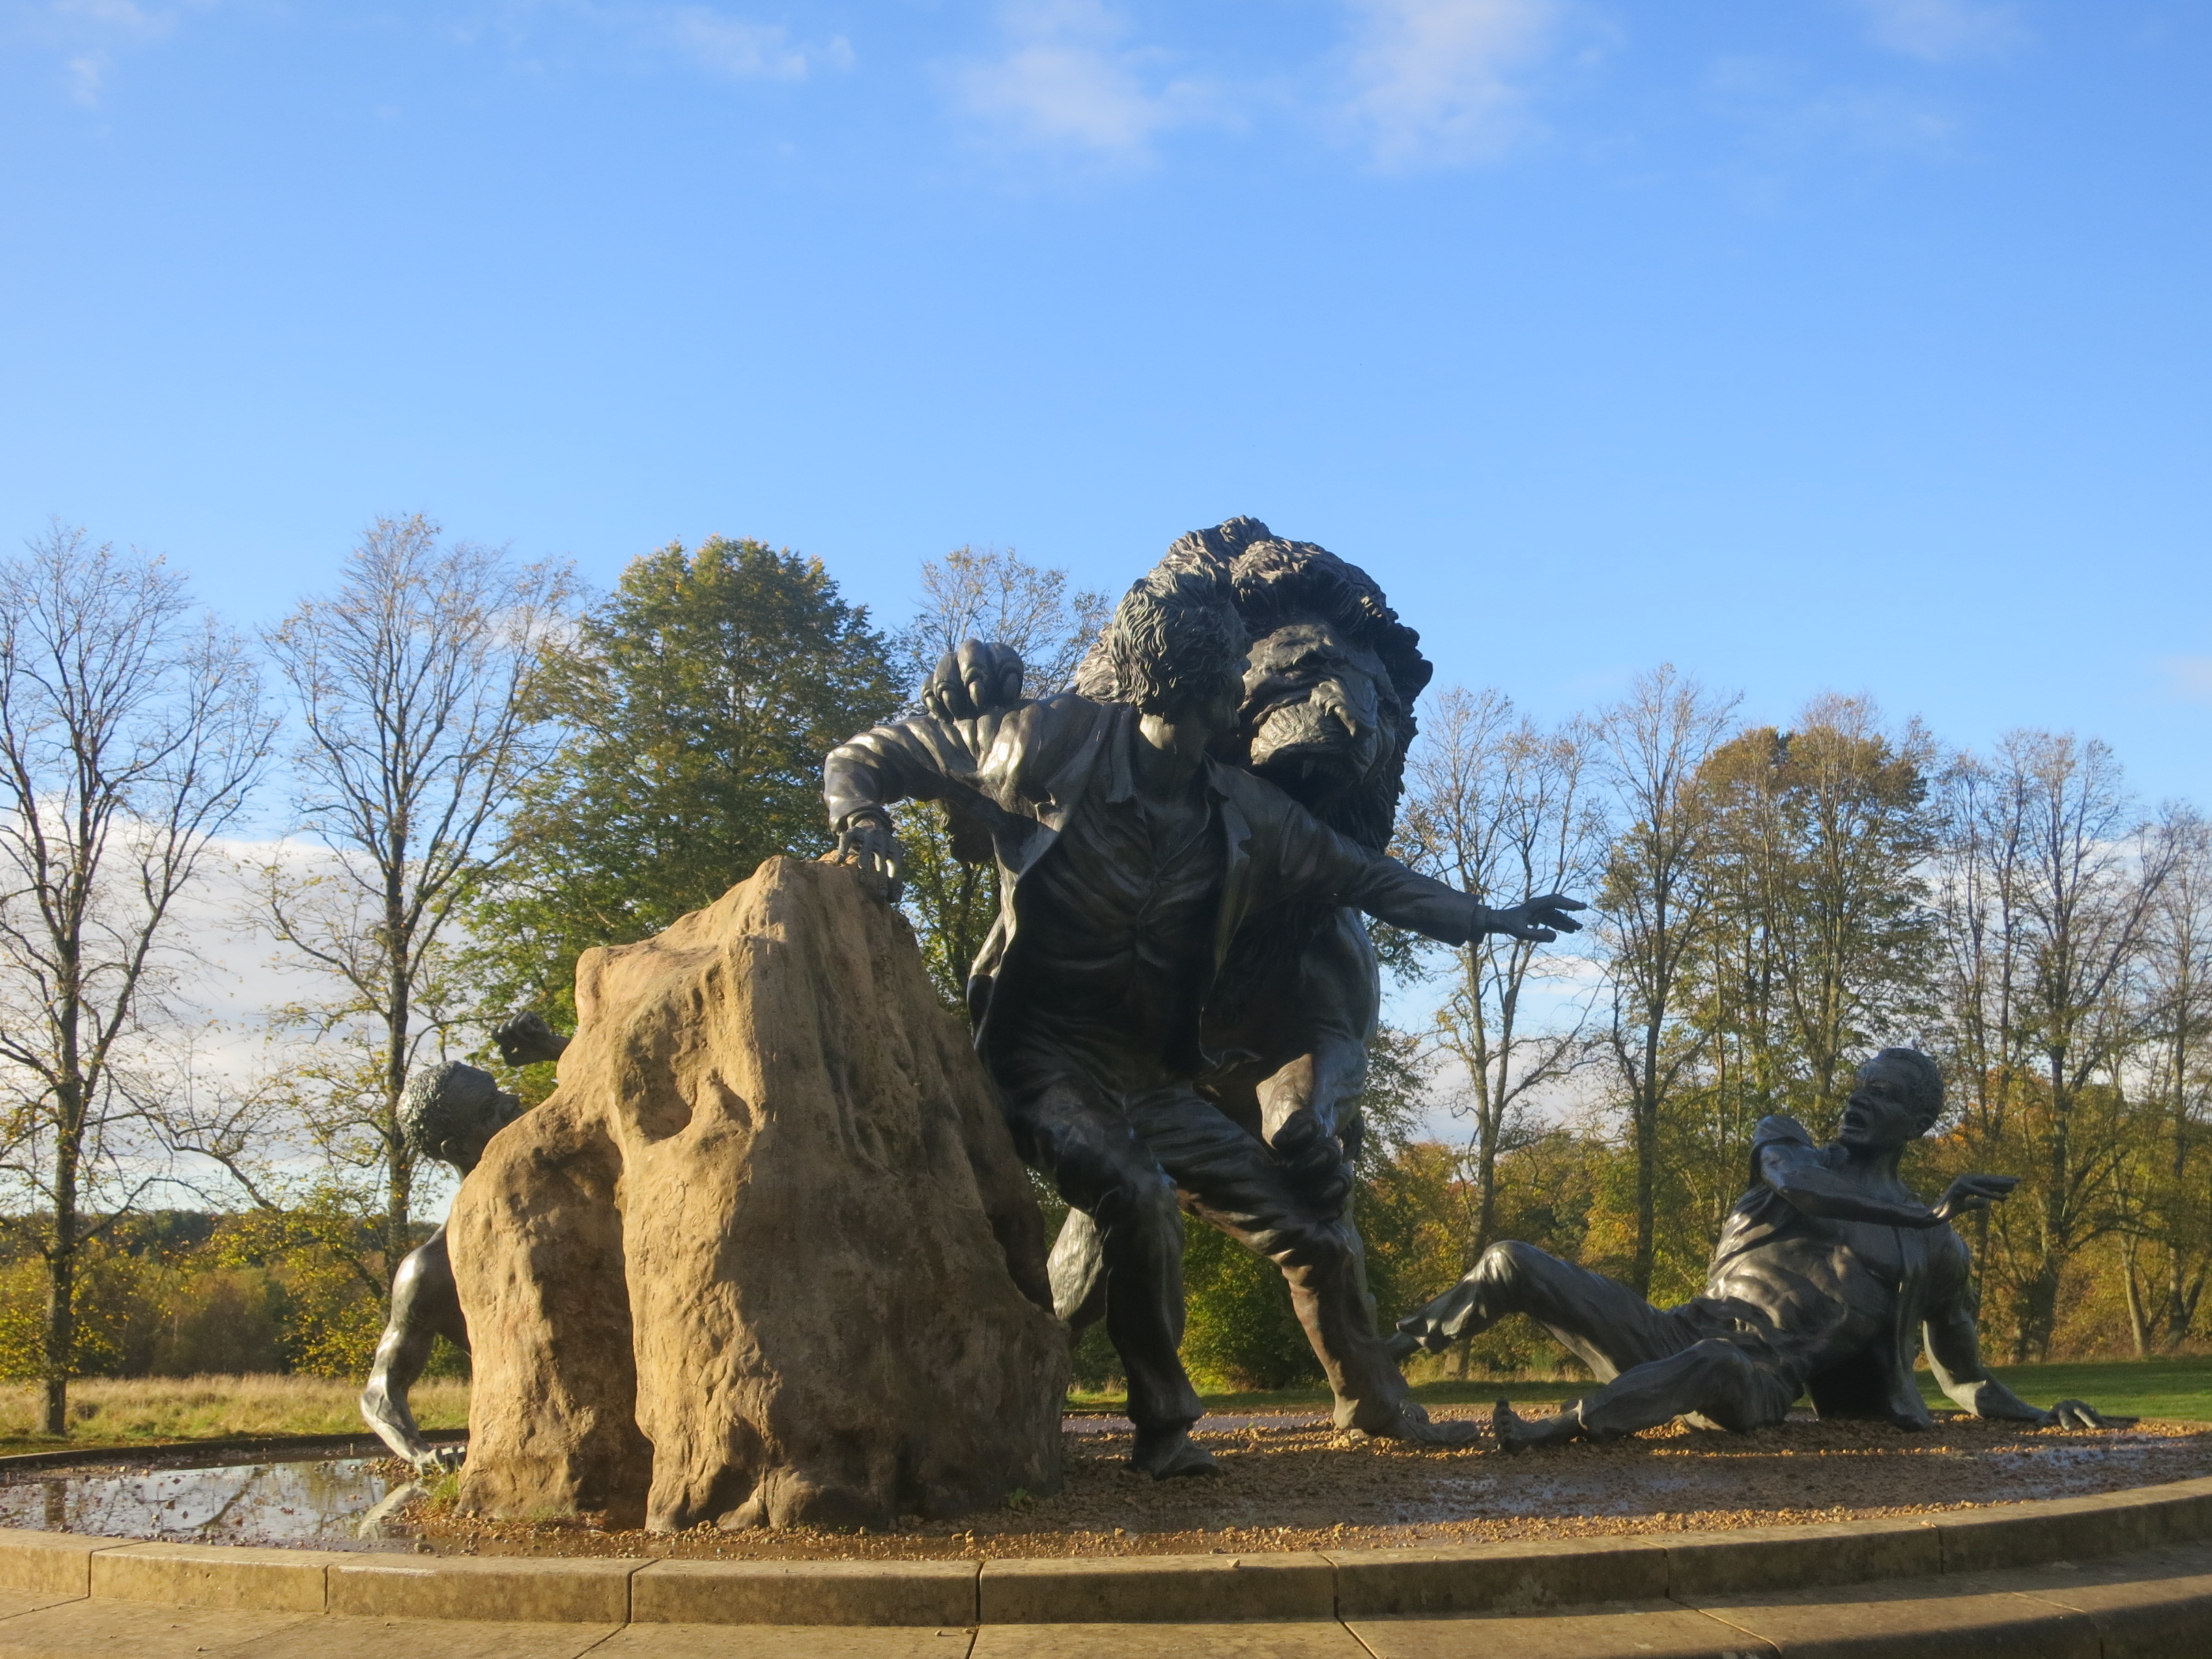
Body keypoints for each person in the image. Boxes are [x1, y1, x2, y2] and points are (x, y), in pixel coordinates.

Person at [823, 563, 1584, 1476]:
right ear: (1190, 689)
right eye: (1231, 676)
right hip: (1040, 1060)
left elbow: (1363, 876)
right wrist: (861, 822)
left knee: (1312, 1232)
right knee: (1139, 1197)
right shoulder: (1045, 746)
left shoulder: (1240, 810)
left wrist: (1487, 916)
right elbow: (869, 755)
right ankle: (1163, 1425)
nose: (1239, 694)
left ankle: (1371, 1405)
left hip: (1148, 1077)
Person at [1390, 1048, 2130, 1448]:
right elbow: (1801, 1187)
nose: (1858, 1098)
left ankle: (1563, 1427)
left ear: (1918, 1122)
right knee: (1511, 1259)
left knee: (1719, 1361)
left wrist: (2040, 1414)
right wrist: (1924, 1212)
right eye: (1860, 1084)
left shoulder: (1937, 1250)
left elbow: (1962, 1374)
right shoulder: (1788, 1148)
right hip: (1670, 1335)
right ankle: (1380, 1359)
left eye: (1882, 1093)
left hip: (1758, 1384)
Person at [358, 1013, 566, 1470]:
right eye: (490, 1109)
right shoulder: (434, 1267)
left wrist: (554, 1047)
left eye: (499, 1092)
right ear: (457, 1149)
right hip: (554, 1437)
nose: (513, 1102)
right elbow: (381, 1390)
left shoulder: (568, 1169)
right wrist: (420, 1455)